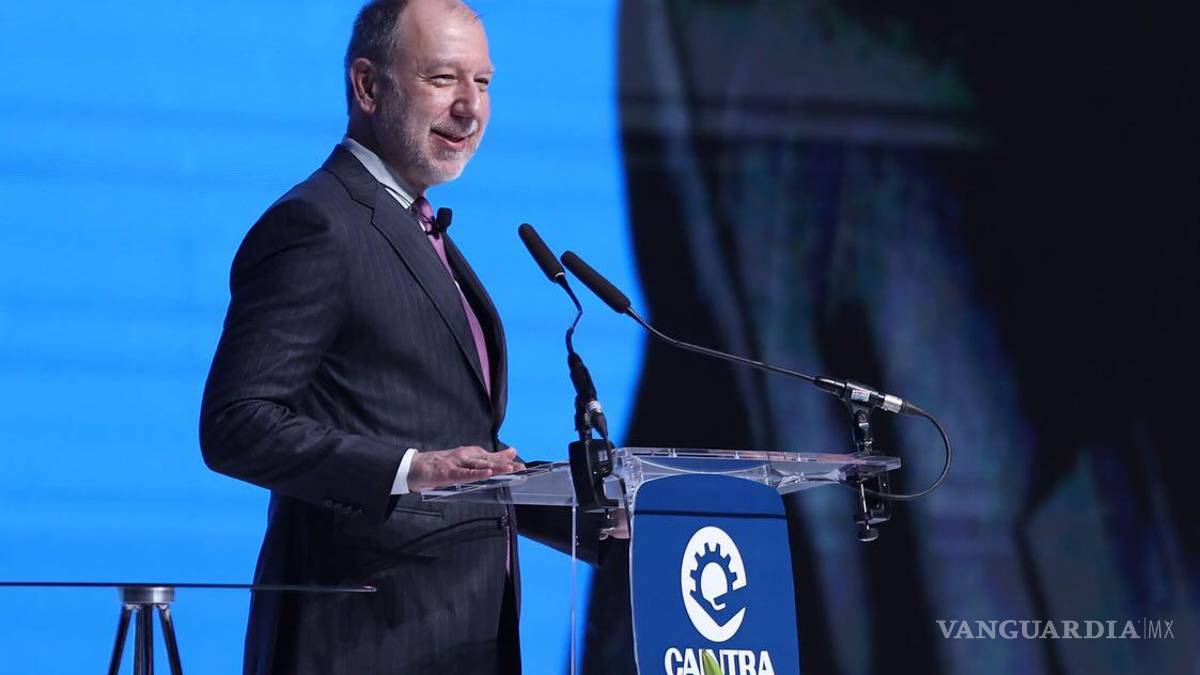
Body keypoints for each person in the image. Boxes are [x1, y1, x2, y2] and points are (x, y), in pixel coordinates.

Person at [200, 1, 607, 672]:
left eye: (483, 82)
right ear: (367, 86)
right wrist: (406, 470)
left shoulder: (416, 226)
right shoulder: (319, 224)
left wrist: (597, 514)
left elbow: (449, 442)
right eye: (443, 78)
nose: (470, 108)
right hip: (361, 639)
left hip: (461, 639)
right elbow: (235, 423)